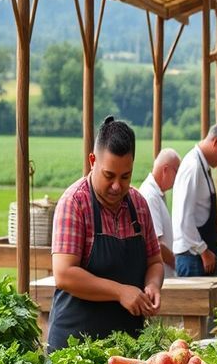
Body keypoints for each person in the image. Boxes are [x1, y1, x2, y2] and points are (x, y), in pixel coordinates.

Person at [48, 117, 164, 351]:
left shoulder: (138, 204)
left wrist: (153, 285)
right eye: (109, 175)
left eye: (125, 176)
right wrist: (120, 292)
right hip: (76, 351)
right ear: (93, 160)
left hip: (128, 347)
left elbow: (155, 261)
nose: (117, 186)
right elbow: (64, 274)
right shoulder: (74, 203)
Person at [172, 122, 217, 276]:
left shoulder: (202, 166)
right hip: (193, 257)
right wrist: (203, 251)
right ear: (215, 142)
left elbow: (200, 213)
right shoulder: (193, 167)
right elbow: (184, 218)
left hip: (199, 255)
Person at [138, 148, 181, 278]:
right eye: (177, 172)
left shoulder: (157, 194)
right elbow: (157, 245)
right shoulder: (150, 196)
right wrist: (176, 263)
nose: (177, 179)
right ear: (165, 170)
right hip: (160, 277)